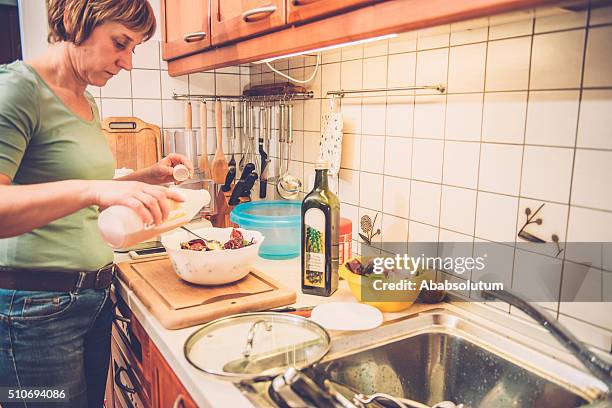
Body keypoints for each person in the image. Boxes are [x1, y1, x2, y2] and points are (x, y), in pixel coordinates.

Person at [0, 1, 192, 406]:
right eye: (120, 42)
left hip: (91, 298)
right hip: (35, 312)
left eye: (134, 48)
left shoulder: (85, 101)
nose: (127, 62)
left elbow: (81, 192)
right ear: (75, 20)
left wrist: (145, 178)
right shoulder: (18, 89)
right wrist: (96, 190)